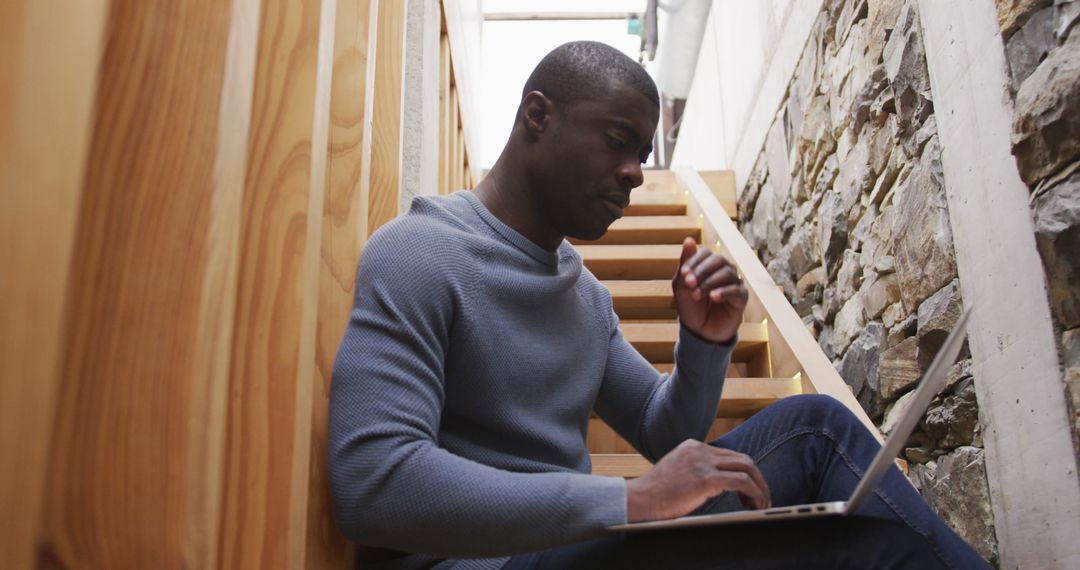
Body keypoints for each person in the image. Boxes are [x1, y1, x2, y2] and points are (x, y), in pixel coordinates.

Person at [329, 41, 989, 569]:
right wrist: (627, 498)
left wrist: (703, 345)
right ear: (538, 116)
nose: (636, 173)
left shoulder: (583, 296)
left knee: (818, 429)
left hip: (570, 543)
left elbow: (662, 433)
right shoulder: (419, 252)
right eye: (617, 141)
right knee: (868, 550)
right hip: (481, 561)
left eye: (643, 155)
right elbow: (373, 482)